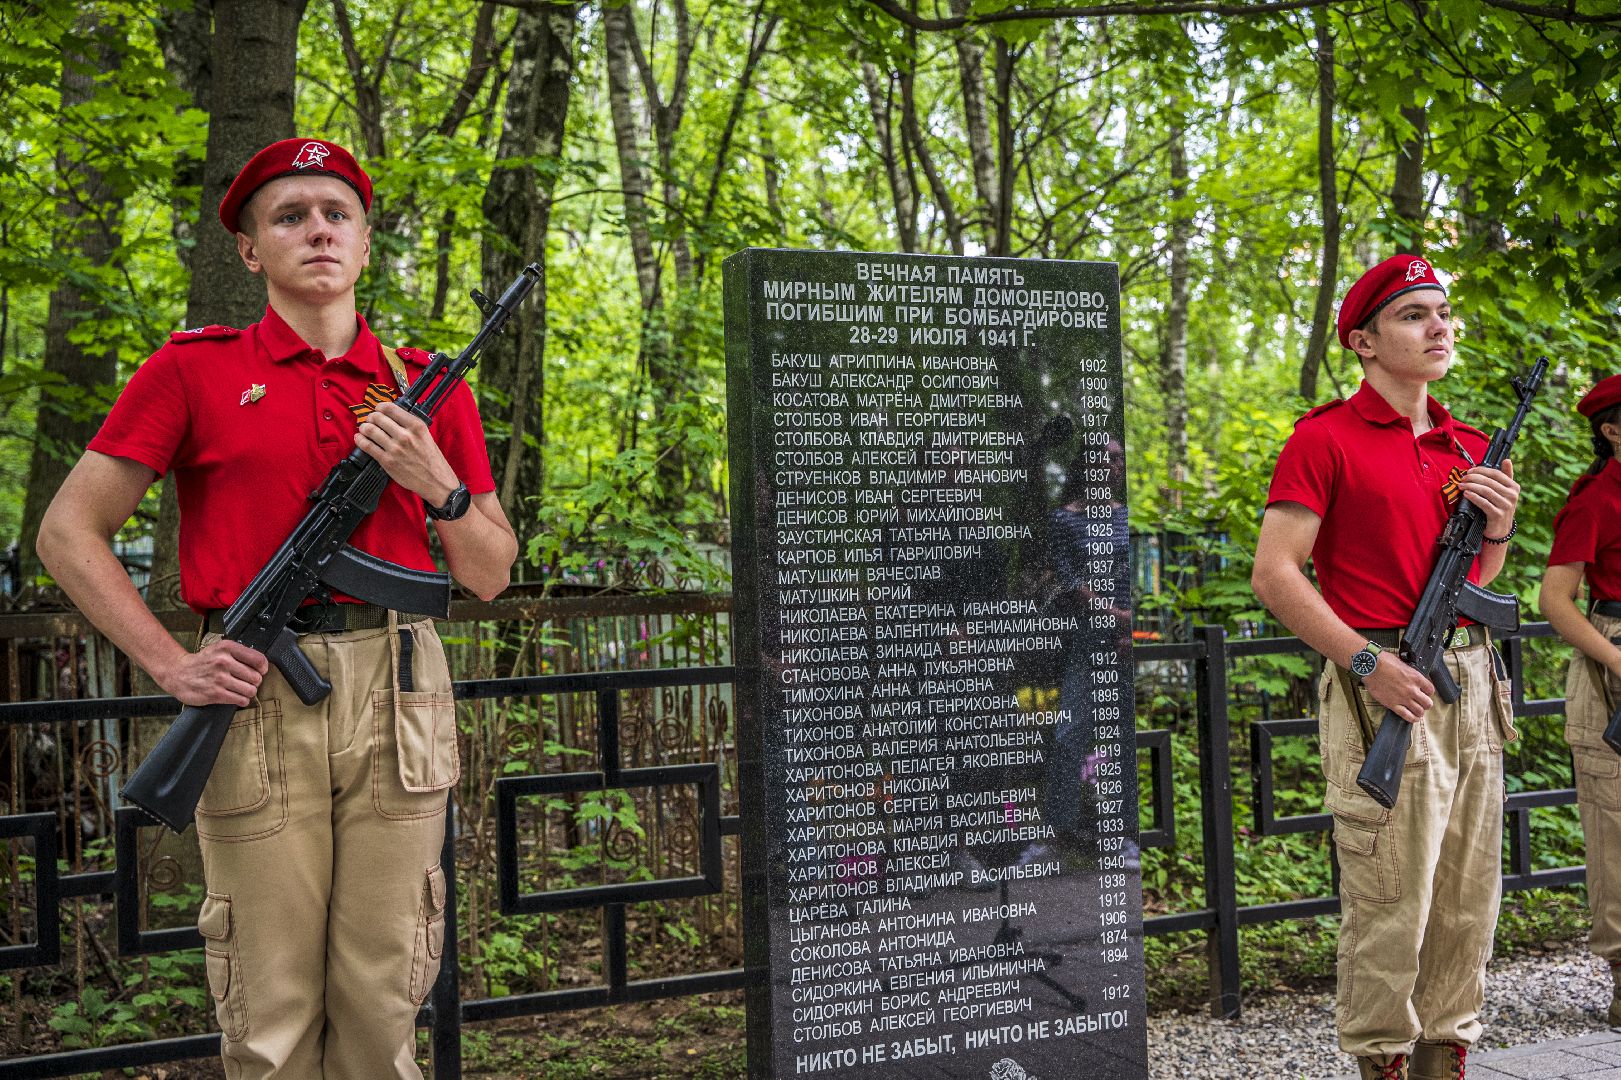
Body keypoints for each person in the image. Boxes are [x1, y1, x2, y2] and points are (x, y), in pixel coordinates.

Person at [36, 138, 517, 1079]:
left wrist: (437, 482)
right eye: (289, 216)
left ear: (366, 242)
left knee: (384, 997)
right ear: (252, 251)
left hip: (400, 688)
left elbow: (492, 574)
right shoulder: (193, 372)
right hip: (253, 690)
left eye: (336, 214)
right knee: (268, 1012)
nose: (317, 231)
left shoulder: (427, 390)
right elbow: (67, 533)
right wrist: (170, 665)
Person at [1250, 255, 1520, 1080]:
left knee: (1469, 899)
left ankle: (1449, 1059)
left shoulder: (1467, 446)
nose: (1438, 326)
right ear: (1363, 341)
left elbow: (1475, 583)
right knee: (1389, 901)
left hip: (1469, 683)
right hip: (1384, 685)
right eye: (1413, 315)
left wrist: (1499, 529)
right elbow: (1275, 572)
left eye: (1442, 312)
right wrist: (1365, 661)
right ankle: (1382, 1062)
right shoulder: (1322, 438)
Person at [1538, 373, 1621, 1024]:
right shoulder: (1596, 499)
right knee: (1614, 830)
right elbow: (1553, 601)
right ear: (1611, 430)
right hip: (1610, 664)